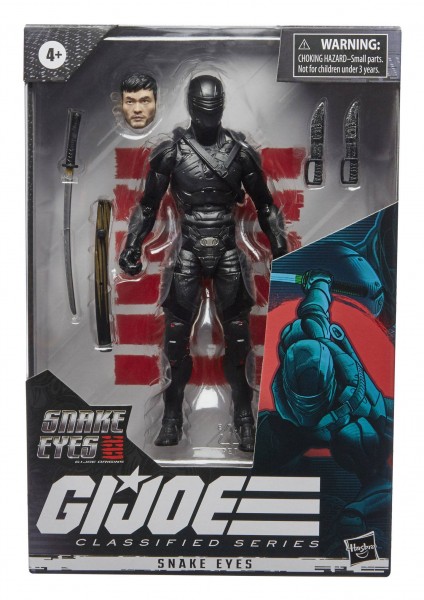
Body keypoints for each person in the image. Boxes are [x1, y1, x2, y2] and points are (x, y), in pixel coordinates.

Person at [119, 74, 287, 451]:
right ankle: (172, 418)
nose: (209, 116)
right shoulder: (171, 152)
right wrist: (132, 244)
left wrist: (280, 247)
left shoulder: (241, 152)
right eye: (203, 109)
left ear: (221, 107)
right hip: (188, 248)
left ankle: (244, 419)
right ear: (193, 108)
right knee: (175, 338)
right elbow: (147, 205)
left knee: (239, 340)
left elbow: (266, 205)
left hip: (227, 246)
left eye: (214, 109)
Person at [256, 270, 393, 539]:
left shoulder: (359, 407)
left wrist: (356, 511)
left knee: (358, 441)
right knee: (264, 442)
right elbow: (315, 307)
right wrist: (320, 283)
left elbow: (384, 482)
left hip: (345, 425)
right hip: (296, 428)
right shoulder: (306, 334)